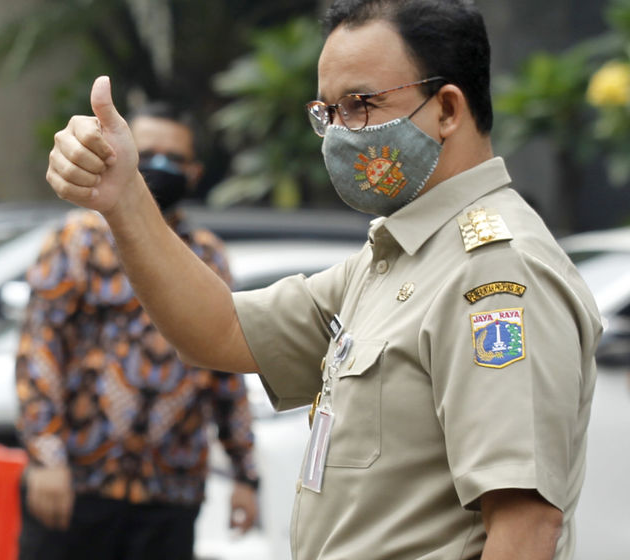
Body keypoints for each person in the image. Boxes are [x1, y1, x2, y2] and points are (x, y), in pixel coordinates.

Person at [43, 1, 602, 559]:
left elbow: (526, 527)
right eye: (328, 111)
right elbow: (221, 330)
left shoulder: (495, 270)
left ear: (448, 109)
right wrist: (125, 198)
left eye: (360, 104)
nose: (338, 133)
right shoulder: (396, 257)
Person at [17, 103, 259, 560]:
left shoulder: (208, 257)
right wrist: (45, 459)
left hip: (170, 496)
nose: (160, 166)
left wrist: (246, 475)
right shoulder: (79, 240)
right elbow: (39, 352)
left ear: (194, 172)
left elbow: (228, 372)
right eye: (147, 154)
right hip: (79, 486)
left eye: (174, 158)